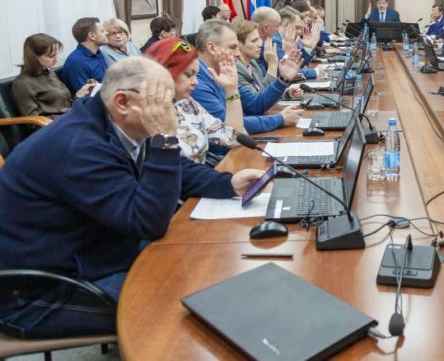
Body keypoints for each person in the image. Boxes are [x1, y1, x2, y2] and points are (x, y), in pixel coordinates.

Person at [0, 57, 264, 338]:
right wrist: (165, 140)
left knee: (211, 272)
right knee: (196, 304)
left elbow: (173, 167)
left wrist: (226, 183)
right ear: (123, 101)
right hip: (37, 292)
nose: (170, 113)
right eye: (162, 103)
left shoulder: (111, 122)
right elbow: (147, 222)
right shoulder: (78, 146)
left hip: (93, 254)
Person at [191, 20, 302, 134]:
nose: (238, 53)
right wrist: (279, 119)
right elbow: (228, 125)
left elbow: (254, 105)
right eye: (233, 47)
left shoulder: (222, 72)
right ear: (212, 48)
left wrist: (283, 80)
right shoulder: (196, 82)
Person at [146, 38, 243, 164]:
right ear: (165, 71)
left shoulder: (186, 103)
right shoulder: (146, 114)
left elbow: (232, 138)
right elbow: (170, 165)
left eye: (196, 75)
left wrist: (231, 89)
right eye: (188, 74)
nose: (195, 82)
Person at [11, 34, 94, 117]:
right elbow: (32, 119)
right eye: (51, 56)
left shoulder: (49, 73)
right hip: (56, 123)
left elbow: (63, 106)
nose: (56, 59)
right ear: (34, 57)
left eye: (56, 55)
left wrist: (78, 95)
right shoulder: (22, 83)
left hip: (68, 118)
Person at [233, 19, 303, 104]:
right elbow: (257, 102)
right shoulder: (236, 70)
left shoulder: (252, 63)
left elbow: (263, 90)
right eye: (254, 41)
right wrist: (272, 66)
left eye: (259, 39)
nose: (260, 44)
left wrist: (287, 94)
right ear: (238, 44)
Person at [62, 17, 109, 94]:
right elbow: (85, 97)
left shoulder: (98, 53)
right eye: (102, 31)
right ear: (92, 36)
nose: (107, 33)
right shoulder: (77, 62)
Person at [250, 6, 281, 74]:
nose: (278, 29)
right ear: (266, 27)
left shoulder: (266, 43)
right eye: (276, 26)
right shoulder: (255, 48)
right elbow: (262, 78)